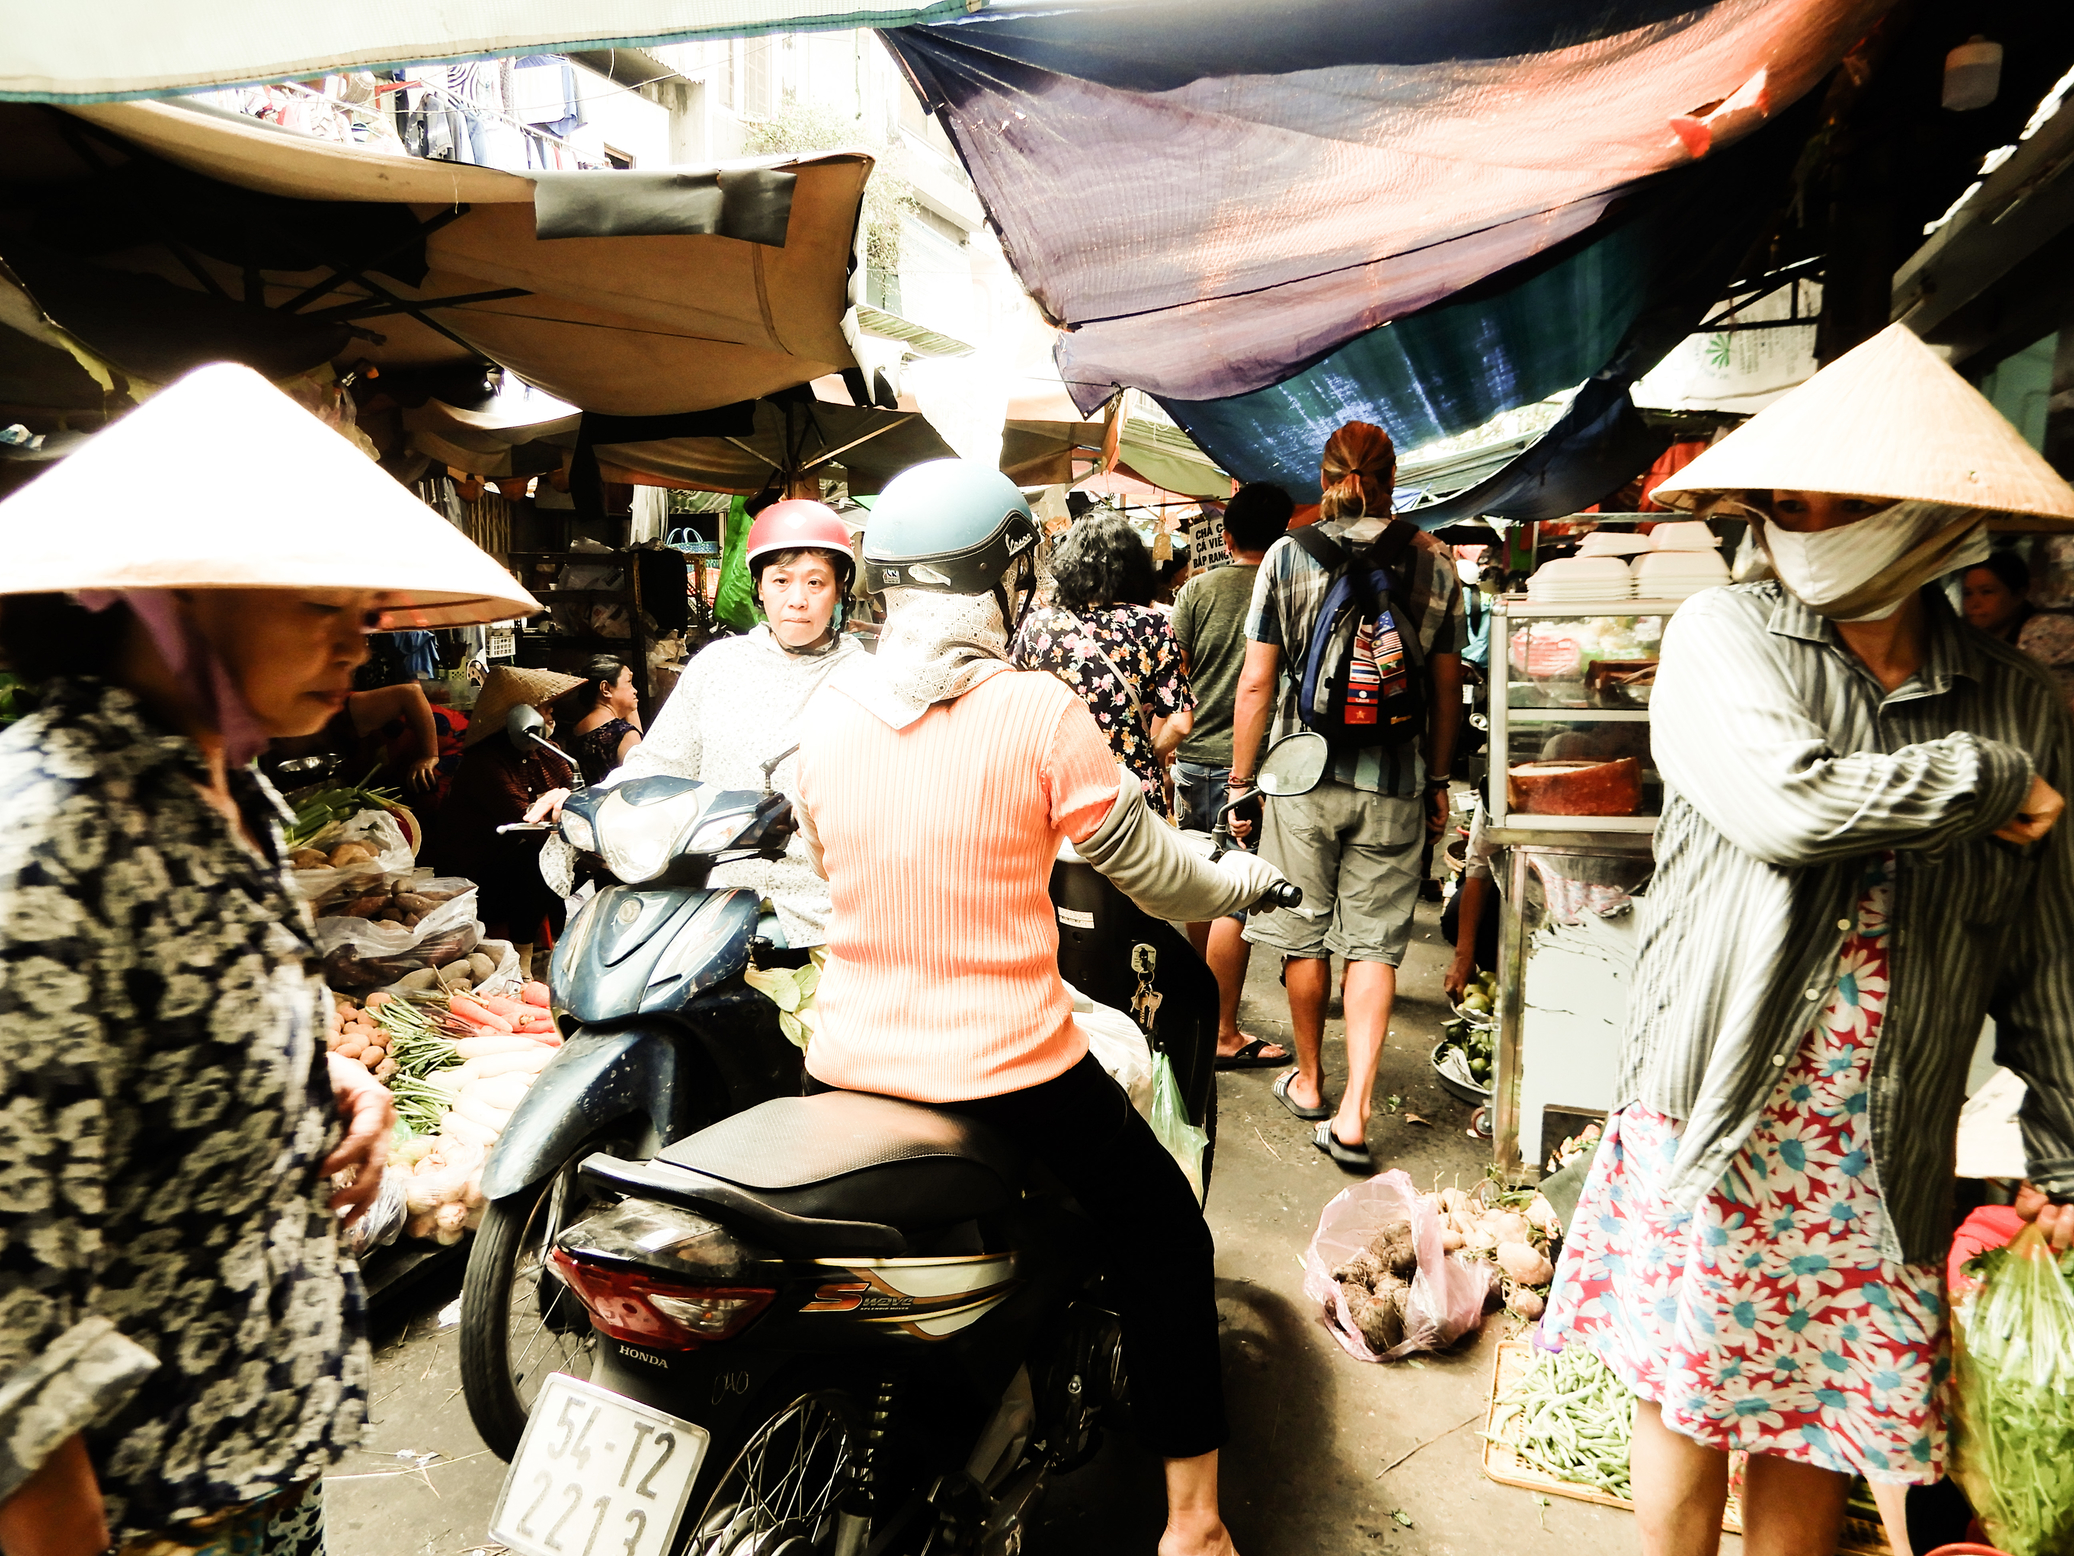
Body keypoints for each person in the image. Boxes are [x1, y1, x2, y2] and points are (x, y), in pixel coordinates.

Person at [1542, 323, 2074, 1556]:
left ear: (1929, 517)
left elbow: (2048, 953)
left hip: (1885, 1133)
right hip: (1721, 1101)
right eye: (1782, 497)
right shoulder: (1727, 637)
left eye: (1835, 497)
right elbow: (1792, 808)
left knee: (1815, 1417)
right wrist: (1986, 780)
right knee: (1686, 1397)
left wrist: (2063, 1149)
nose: (1801, 519)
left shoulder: (2012, 689)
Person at [0, 361, 535, 1556]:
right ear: (167, 597)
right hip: (146, 1510)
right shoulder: (50, 837)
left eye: (363, 603)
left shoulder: (227, 787)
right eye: (313, 600)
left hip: (268, 1451)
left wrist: (311, 1082)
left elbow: (173, 1052)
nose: (359, 637)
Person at [789, 458, 1284, 1556]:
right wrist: (1249, 881)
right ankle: (1195, 1523)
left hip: (845, 1064)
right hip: (1005, 1067)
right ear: (998, 583)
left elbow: (831, 863)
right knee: (1163, 1231)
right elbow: (1163, 880)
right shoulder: (1034, 714)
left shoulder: (825, 719)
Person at [1229, 421, 1464, 1172]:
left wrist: (1241, 784)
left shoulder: (1286, 557)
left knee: (1303, 934)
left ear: (1323, 473)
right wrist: (1438, 782)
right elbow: (1447, 687)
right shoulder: (1434, 559)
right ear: (1393, 476)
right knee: (1374, 946)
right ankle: (1357, 1113)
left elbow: (1258, 682)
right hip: (1395, 782)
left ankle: (1311, 1080)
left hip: (1301, 779)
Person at [528, 499, 864, 947]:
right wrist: (586, 799)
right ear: (760, 588)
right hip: (711, 895)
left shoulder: (866, 681)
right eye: (781, 581)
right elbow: (661, 763)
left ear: (840, 588)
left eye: (816, 582)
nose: (797, 600)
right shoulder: (717, 667)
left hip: (829, 907)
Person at [1170, 482, 1295, 1069]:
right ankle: (1220, 1031)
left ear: (1226, 537)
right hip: (1256, 766)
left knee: (1198, 877)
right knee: (1237, 898)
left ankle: (1200, 1002)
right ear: (1284, 539)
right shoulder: (1288, 589)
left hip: (1194, 756)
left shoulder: (1195, 590)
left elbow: (1179, 670)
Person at [1013, 510, 1194, 807]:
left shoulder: (1038, 626)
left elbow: (1019, 713)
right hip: (1132, 788)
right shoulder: (1152, 625)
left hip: (1058, 789)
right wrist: (1148, 753)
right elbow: (1181, 723)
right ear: (1133, 568)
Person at [435, 665, 582, 952]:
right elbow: (525, 823)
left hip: (517, 875)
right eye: (546, 708)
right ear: (521, 717)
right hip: (478, 879)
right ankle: (523, 956)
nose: (552, 715)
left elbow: (575, 798)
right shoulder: (485, 764)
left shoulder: (549, 753)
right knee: (540, 855)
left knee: (573, 856)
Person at [263, 678, 442, 794]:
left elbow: (410, 693)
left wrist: (429, 755)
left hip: (437, 739)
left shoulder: (344, 712)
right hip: (395, 770)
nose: (279, 745)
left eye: (277, 739)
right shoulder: (283, 754)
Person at [555, 653, 643, 784]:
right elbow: (639, 783)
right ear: (606, 689)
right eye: (629, 682)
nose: (634, 690)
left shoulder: (575, 729)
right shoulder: (625, 734)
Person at [1960, 549, 2034, 642]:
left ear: (2018, 596)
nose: (1974, 603)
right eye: (1967, 593)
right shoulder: (1961, 637)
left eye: (1986, 592)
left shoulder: (2039, 633)